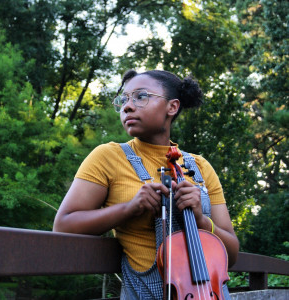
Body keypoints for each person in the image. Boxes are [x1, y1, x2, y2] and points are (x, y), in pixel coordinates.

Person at [53, 69, 239, 299]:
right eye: (124, 99)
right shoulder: (108, 157)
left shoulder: (200, 167)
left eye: (141, 96)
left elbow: (231, 252)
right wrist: (129, 208)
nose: (128, 106)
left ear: (172, 107)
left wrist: (201, 219)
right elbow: (63, 225)